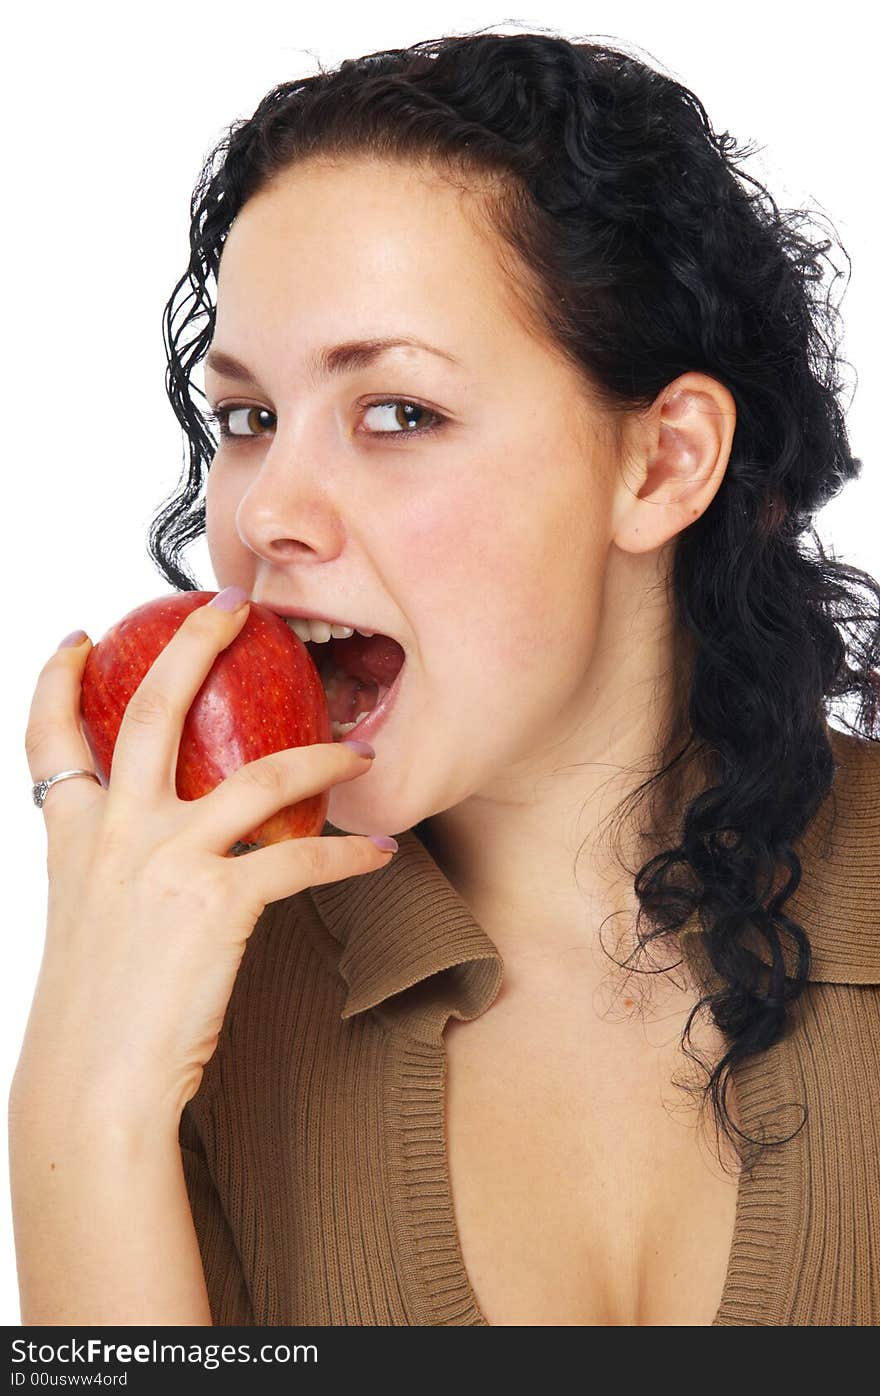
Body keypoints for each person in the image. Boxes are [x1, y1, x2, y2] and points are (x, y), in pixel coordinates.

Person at [12, 29, 880, 1327]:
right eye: (248, 421)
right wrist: (86, 1103)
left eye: (398, 413)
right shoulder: (198, 997)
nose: (265, 515)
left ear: (663, 464)